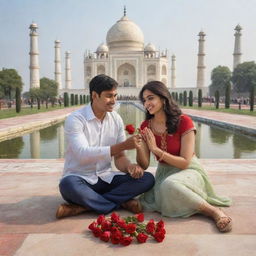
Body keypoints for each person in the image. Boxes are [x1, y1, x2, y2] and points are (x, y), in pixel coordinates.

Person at [135, 81, 232, 232]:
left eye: (151, 98)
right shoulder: (146, 126)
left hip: (189, 170)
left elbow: (185, 163)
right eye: (144, 100)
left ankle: (214, 211)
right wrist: (138, 147)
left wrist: (156, 149)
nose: (147, 103)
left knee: (170, 185)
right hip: (164, 172)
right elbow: (145, 164)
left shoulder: (183, 121)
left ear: (164, 98)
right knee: (166, 187)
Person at [56, 74, 154, 219]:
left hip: (105, 178)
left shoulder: (116, 119)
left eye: (115, 95)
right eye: (109, 96)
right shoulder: (76, 119)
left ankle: (82, 207)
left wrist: (129, 167)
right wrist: (123, 145)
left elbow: (120, 158)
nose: (113, 101)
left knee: (147, 179)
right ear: (95, 95)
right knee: (67, 185)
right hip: (80, 178)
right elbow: (82, 154)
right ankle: (120, 202)